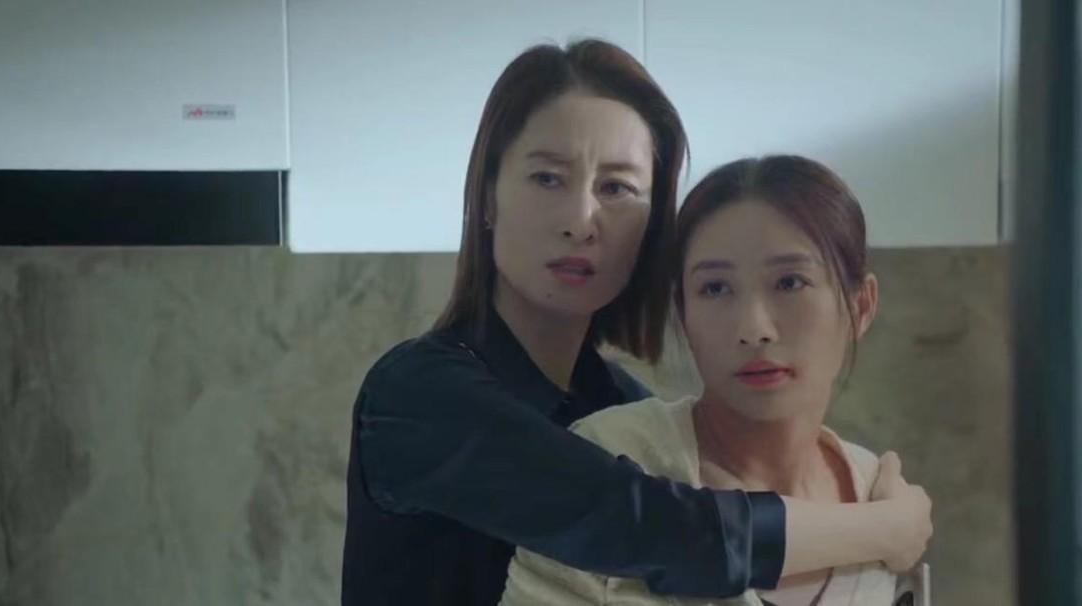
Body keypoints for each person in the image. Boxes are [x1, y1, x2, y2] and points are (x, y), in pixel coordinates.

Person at [341, 39, 932, 606]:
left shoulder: (623, 410)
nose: (580, 220)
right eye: (548, 178)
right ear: (488, 197)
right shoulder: (418, 394)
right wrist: (885, 529)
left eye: (617, 187)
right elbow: (649, 527)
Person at [501, 155, 924, 605]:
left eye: (790, 282)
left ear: (860, 306)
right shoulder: (612, 460)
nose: (753, 329)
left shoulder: (878, 488)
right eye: (715, 288)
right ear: (683, 315)